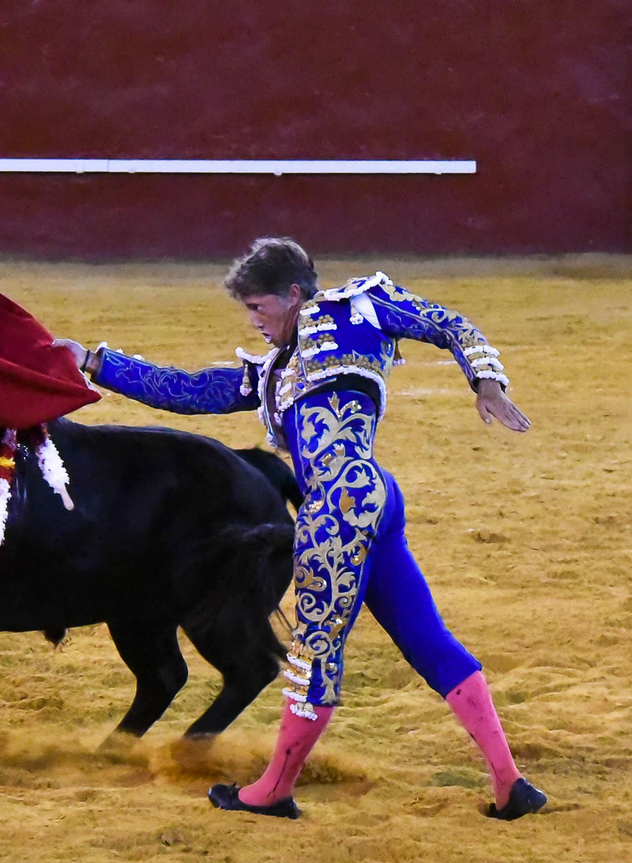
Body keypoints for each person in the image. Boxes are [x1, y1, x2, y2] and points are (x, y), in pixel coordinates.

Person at [55, 238, 546, 820]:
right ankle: (509, 783)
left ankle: (273, 791)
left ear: (293, 294)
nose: (254, 322)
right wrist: (93, 360)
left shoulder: (356, 305)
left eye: (259, 308)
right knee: (426, 640)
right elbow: (186, 391)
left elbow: (448, 323)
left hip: (337, 508)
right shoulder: (274, 371)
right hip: (374, 497)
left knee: (316, 658)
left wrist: (486, 380)